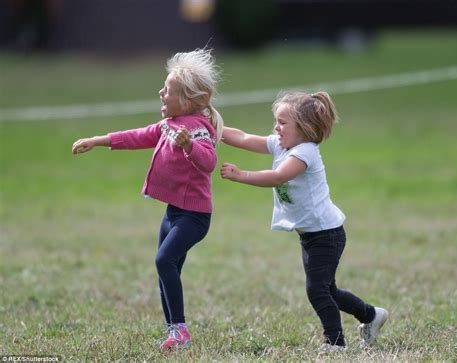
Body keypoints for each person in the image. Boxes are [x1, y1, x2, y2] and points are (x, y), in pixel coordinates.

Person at [72, 48, 223, 351]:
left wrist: (189, 146)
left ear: (190, 101)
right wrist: (99, 141)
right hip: (173, 212)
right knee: (167, 267)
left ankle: (180, 331)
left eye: (168, 90)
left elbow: (208, 162)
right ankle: (174, 331)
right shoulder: (169, 125)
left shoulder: (196, 129)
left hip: (194, 217)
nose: (161, 93)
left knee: (164, 260)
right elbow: (138, 135)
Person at [220, 91, 388, 352]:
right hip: (311, 235)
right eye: (276, 121)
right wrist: (213, 126)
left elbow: (278, 176)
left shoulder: (305, 152)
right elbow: (242, 138)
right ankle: (371, 315)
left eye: (283, 122)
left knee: (317, 290)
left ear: (305, 127)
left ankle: (335, 343)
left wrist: (242, 175)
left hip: (326, 234)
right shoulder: (281, 143)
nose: (277, 127)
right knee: (328, 290)